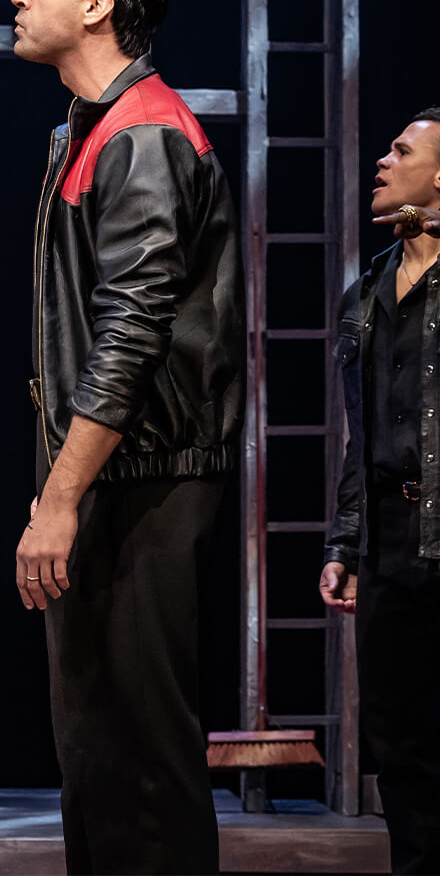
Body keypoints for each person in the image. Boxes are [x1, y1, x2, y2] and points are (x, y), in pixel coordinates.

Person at [10, 0, 245, 875]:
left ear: (96, 7)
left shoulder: (143, 134)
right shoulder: (96, 129)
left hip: (144, 475)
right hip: (116, 469)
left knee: (141, 761)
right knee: (101, 755)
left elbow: (133, 333)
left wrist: (59, 499)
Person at [321, 109, 440, 875]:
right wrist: (346, 542)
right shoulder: (365, 290)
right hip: (392, 541)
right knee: (400, 742)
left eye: (402, 151)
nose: (384, 161)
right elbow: (360, 431)